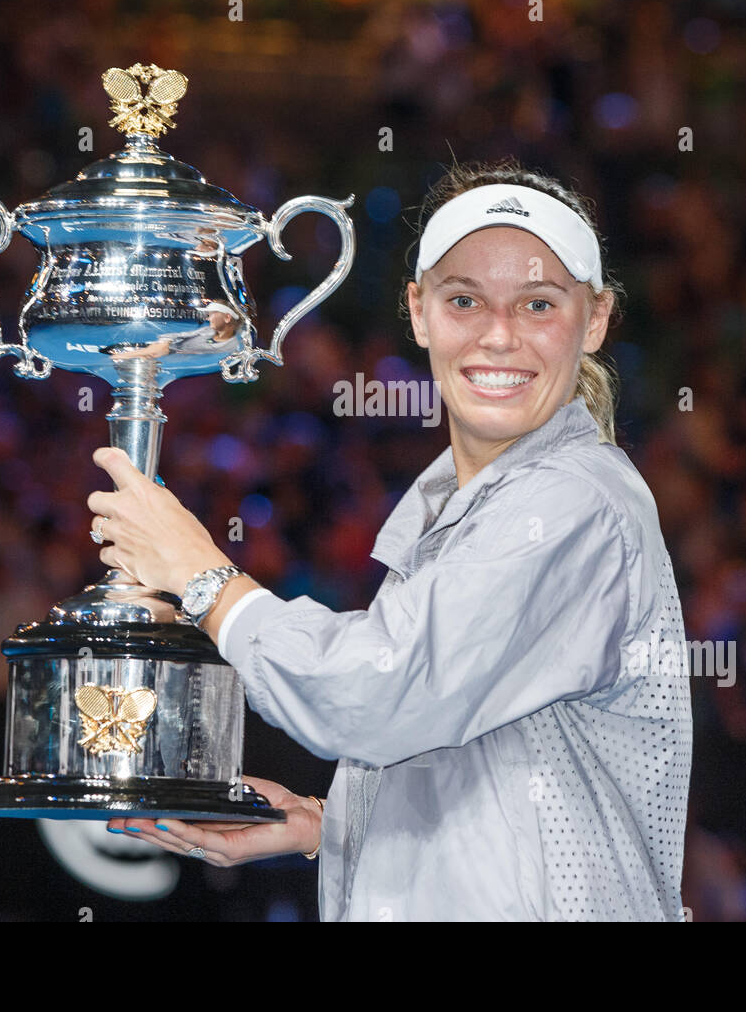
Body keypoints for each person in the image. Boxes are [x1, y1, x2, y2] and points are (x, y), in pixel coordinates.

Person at [89, 159, 693, 921]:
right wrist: (332, 823)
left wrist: (204, 579)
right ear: (419, 310)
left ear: (596, 318)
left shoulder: (573, 500)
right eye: (465, 299)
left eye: (538, 304)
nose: (499, 336)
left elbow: (380, 694)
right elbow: (489, 759)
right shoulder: (471, 506)